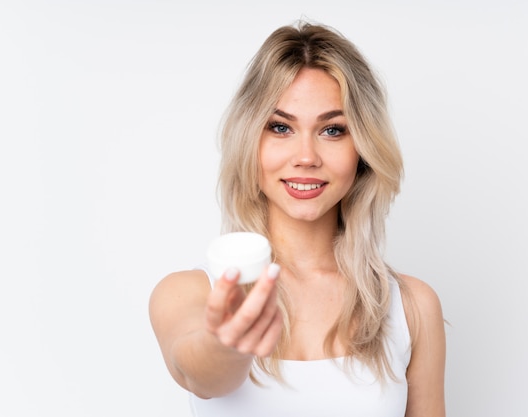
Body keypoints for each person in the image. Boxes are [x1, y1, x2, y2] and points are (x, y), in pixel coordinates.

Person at [149, 20, 446, 417]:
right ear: (250, 140)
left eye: (333, 130)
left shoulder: (412, 308)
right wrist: (227, 345)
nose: (306, 156)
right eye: (281, 127)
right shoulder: (189, 293)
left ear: (363, 150)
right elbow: (200, 374)